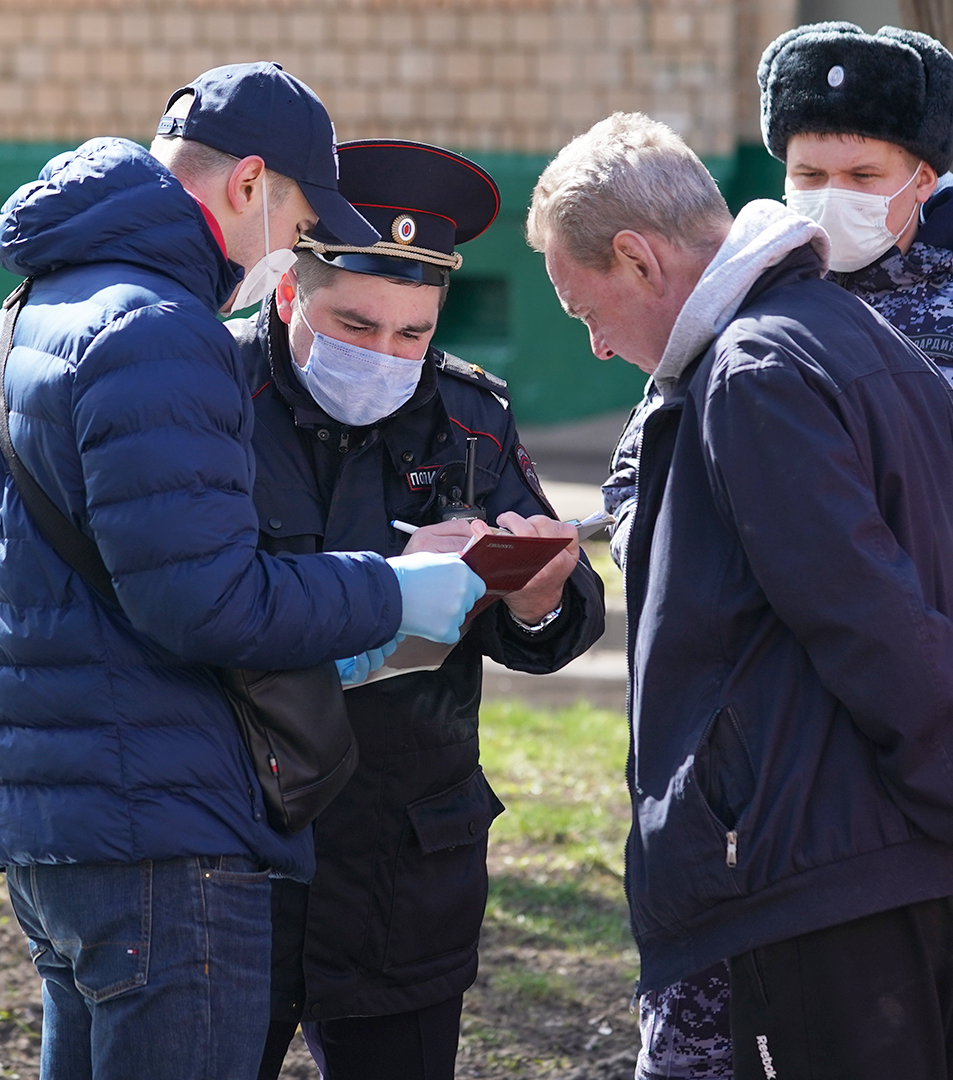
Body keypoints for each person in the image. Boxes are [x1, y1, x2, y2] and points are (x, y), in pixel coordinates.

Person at [600, 25, 953, 1078]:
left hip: (924, 793)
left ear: (925, 179)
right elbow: (637, 490)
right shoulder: (741, 309)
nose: (827, 193)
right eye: (806, 171)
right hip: (765, 797)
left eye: (860, 173)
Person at [0, 64, 488, 1080]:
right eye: (294, 217)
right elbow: (207, 601)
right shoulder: (161, 330)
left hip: (55, 820)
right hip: (165, 831)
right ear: (249, 183)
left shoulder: (26, 313)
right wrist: (395, 589)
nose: (288, 247)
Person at [236, 139, 606, 1080]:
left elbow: (557, 626)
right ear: (289, 292)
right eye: (354, 324)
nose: (386, 356)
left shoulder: (469, 419)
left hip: (403, 858)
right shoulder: (211, 394)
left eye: (413, 334)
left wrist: (537, 599)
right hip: (238, 842)